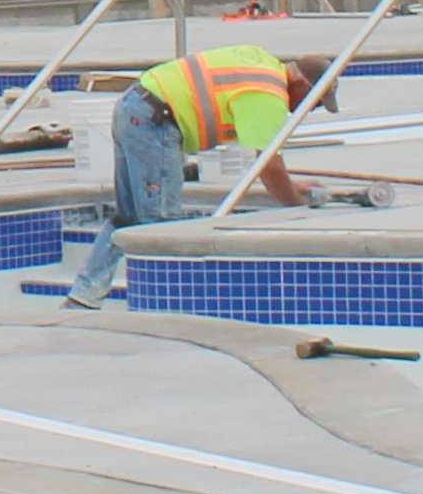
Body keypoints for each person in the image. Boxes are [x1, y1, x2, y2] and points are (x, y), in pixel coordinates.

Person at [67, 42, 324, 305]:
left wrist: (292, 185)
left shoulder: (263, 63)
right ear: (303, 86)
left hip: (135, 106)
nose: (311, 109)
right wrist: (297, 206)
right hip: (156, 121)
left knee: (130, 216)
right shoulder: (268, 95)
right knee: (161, 223)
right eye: (316, 102)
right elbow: (268, 167)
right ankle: (166, 308)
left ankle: (84, 295)